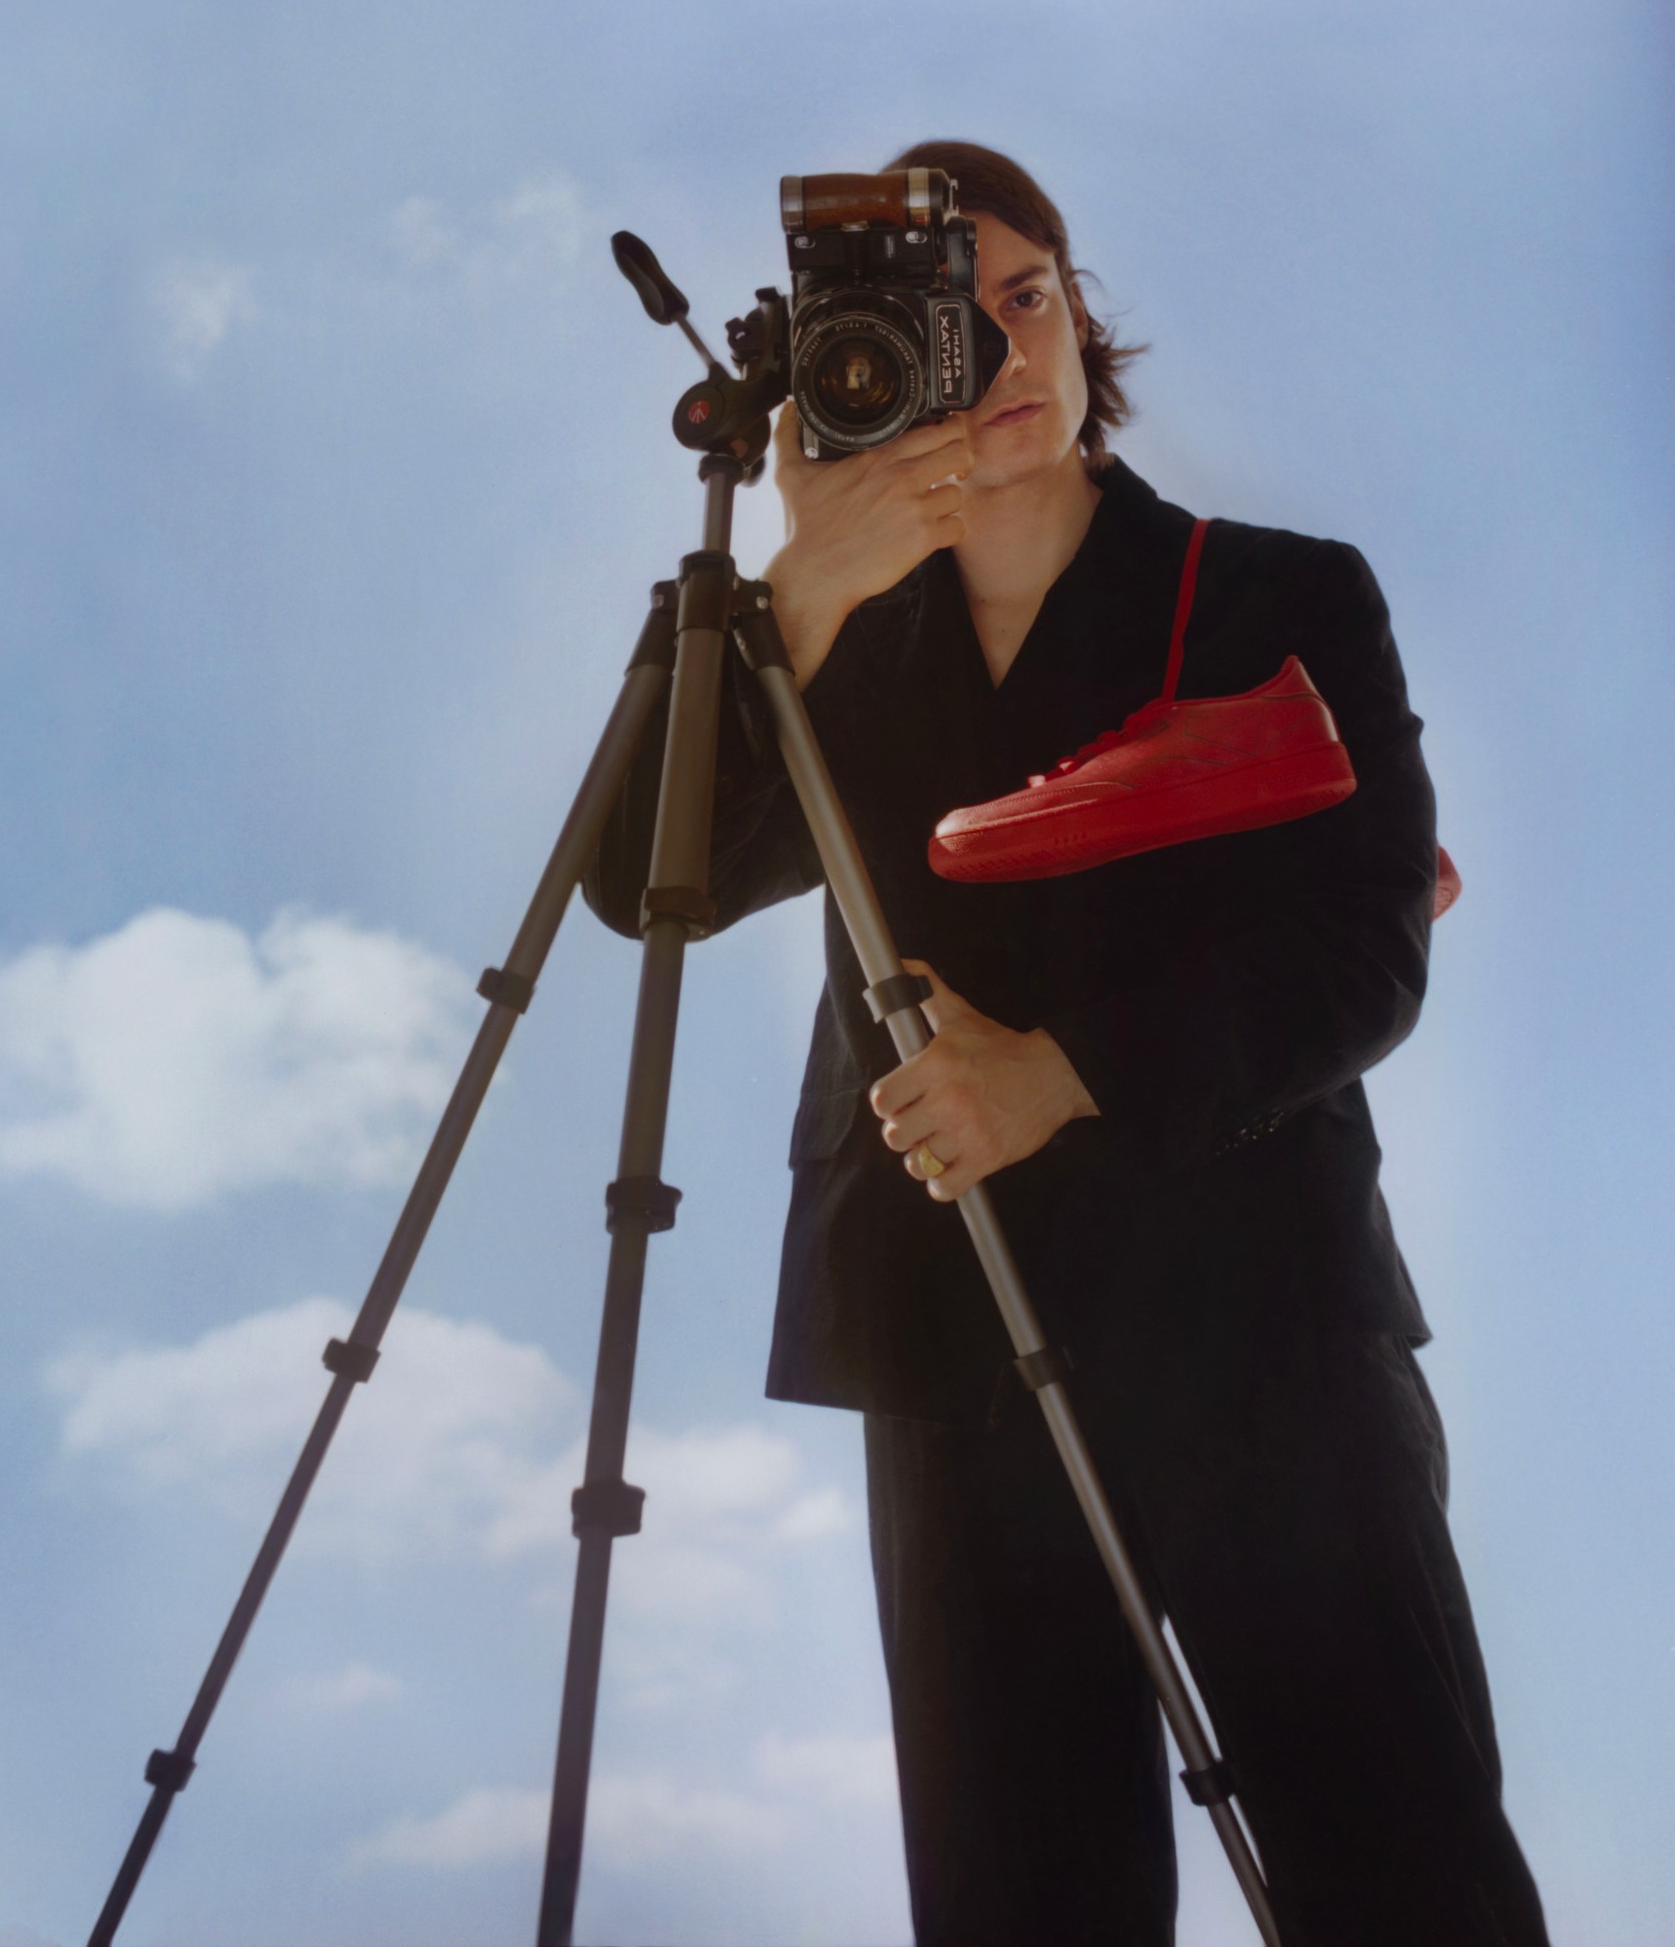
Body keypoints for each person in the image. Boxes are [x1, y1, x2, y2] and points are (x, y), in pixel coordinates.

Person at [585, 140, 1549, 1946]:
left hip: (1260, 1315)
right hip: (946, 1322)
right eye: (944, 322)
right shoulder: (819, 630)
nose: (1001, 352)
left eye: (1026, 301)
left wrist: (1063, 1070)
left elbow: (1366, 950)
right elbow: (647, 892)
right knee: (1020, 1907)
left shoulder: (1282, 590)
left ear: (1079, 320)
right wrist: (795, 589)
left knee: (1403, 1868)